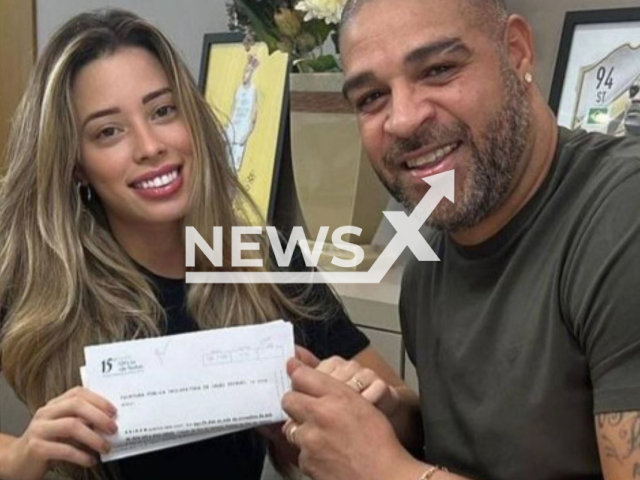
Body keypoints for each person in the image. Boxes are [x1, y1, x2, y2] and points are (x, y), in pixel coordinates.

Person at [0, 9, 420, 480]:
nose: (149, 145)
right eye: (108, 131)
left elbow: (407, 418)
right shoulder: (33, 271)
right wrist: (18, 458)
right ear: (76, 164)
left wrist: (373, 401)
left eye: (162, 111)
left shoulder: (263, 259)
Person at [280, 0, 640, 479]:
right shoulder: (431, 256)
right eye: (370, 98)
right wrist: (387, 417)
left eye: (439, 69)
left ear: (516, 52)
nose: (403, 120)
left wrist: (385, 470)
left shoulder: (621, 218)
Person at [225, 53, 260, 172]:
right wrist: (227, 125)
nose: (245, 75)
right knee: (226, 160)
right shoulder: (239, 89)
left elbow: (254, 112)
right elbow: (233, 108)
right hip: (232, 128)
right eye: (245, 71)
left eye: (248, 72)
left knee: (235, 163)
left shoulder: (253, 90)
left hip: (242, 129)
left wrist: (249, 130)